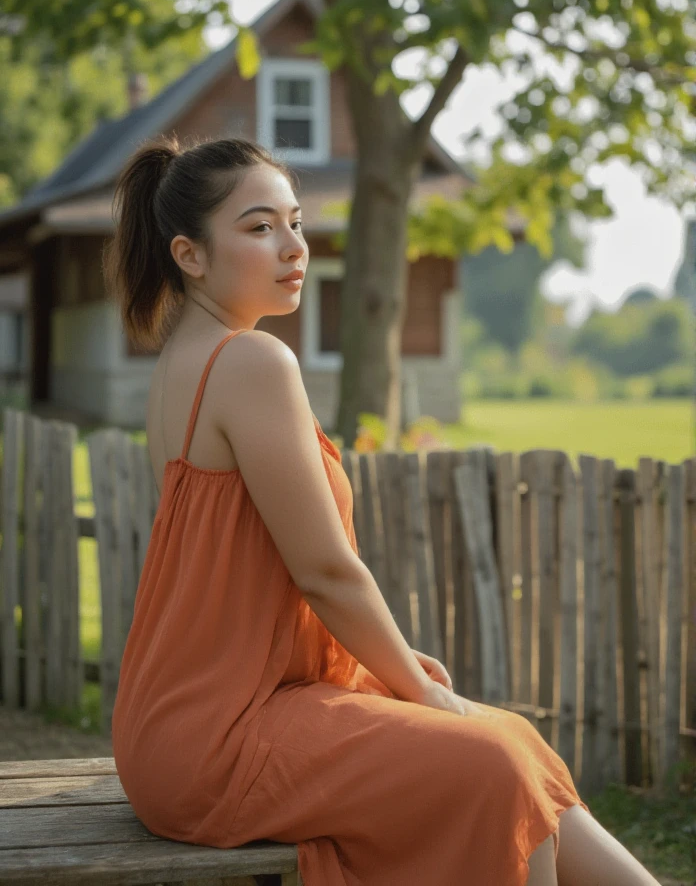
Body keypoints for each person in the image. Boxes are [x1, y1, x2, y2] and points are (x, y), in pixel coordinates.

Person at [106, 135, 661, 886]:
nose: (293, 246)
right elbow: (327, 571)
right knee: (490, 762)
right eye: (260, 227)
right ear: (190, 255)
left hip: (175, 723)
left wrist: (388, 674)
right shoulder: (253, 362)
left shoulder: (182, 363)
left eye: (296, 222)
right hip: (222, 733)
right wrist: (417, 686)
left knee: (512, 740)